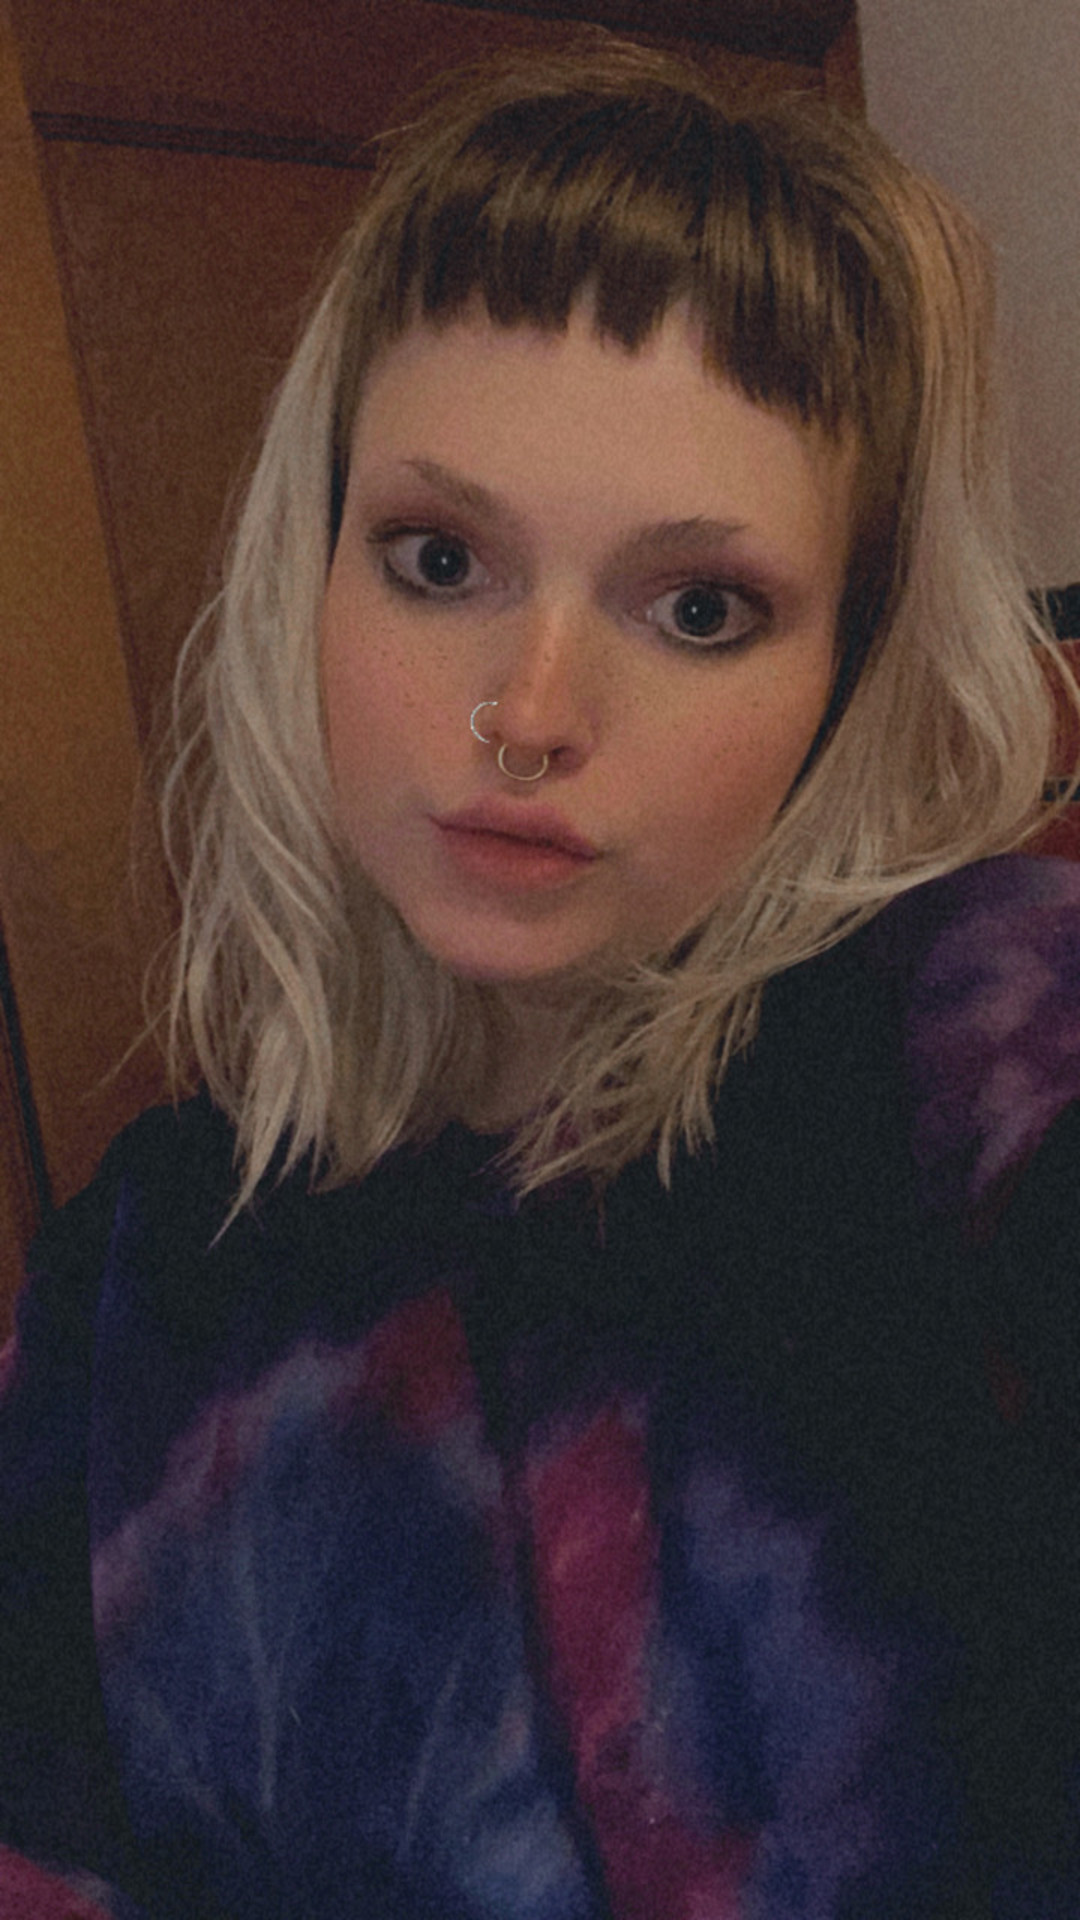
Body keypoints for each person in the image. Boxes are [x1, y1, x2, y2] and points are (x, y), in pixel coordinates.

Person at [2, 36, 1080, 1920]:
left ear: (844, 676)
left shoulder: (965, 1051)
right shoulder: (140, 1276)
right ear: (310, 572)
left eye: (700, 607)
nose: (528, 711)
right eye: (439, 558)